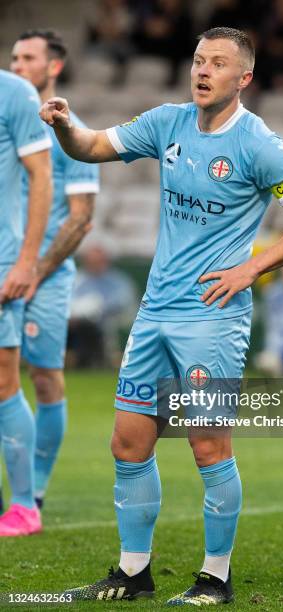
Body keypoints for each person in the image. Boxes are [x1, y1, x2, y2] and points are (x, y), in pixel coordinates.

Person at [39, 27, 283, 604]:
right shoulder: (167, 122)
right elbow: (92, 146)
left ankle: (215, 579)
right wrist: (64, 125)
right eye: (199, 60)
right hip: (155, 312)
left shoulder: (260, 145)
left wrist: (252, 269)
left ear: (243, 78)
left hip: (212, 318)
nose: (203, 70)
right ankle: (132, 574)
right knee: (128, 443)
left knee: (207, 447)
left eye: (218, 63)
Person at [9, 30, 99, 511]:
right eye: (14, 58)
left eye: (29, 58)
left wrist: (37, 270)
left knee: (44, 377)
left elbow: (81, 216)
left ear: (54, 68)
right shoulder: (7, 124)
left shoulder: (70, 132)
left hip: (44, 275)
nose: (18, 65)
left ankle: (34, 491)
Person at [0, 69, 52, 536]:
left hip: (1, 260)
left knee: (3, 379)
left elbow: (41, 175)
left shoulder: (12, 92)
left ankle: (23, 507)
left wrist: (26, 261)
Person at [68, 242, 137, 368]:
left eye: (98, 261)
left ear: (106, 261)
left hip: (108, 320)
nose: (95, 265)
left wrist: (97, 310)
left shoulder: (118, 280)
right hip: (78, 324)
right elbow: (70, 301)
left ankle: (96, 361)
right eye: (91, 262)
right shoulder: (78, 279)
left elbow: (123, 302)